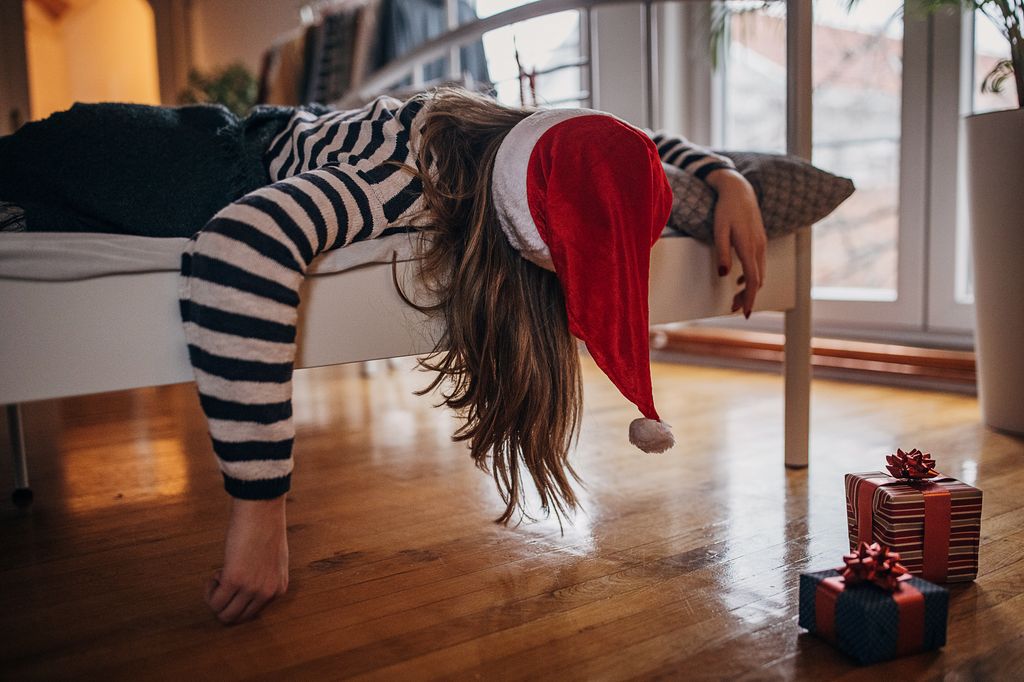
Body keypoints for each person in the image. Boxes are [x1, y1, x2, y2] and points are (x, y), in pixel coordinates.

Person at [0, 86, 766, 624]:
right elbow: (236, 248)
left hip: (231, 128)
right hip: (154, 160)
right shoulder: (405, 185)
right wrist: (261, 512)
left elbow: (625, 142)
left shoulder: (498, 128)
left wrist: (725, 176)